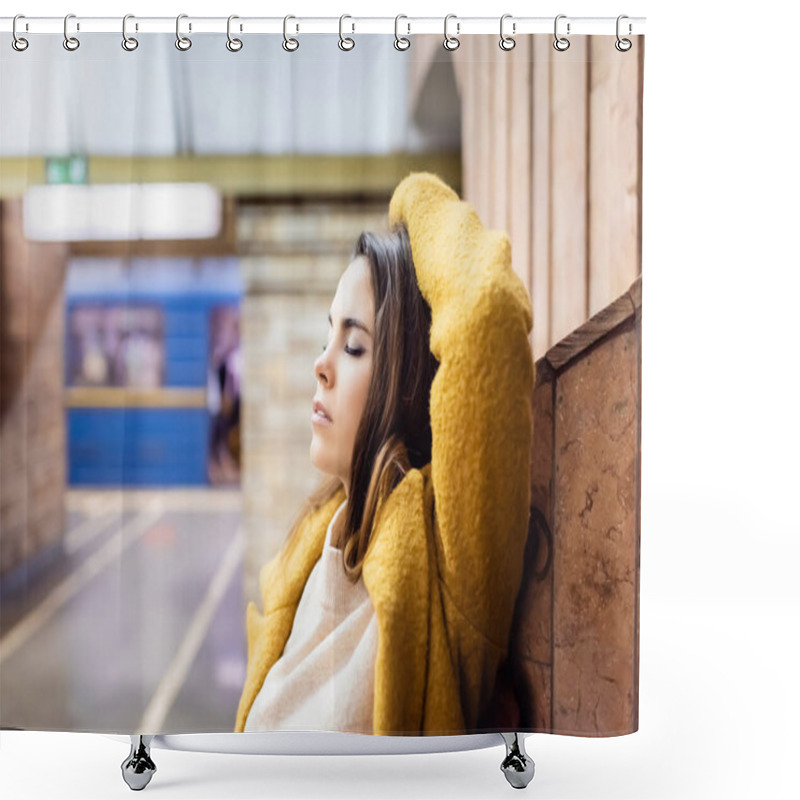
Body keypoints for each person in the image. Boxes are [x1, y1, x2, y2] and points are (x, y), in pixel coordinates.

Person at [235, 172, 534, 736]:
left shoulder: (450, 566)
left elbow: (486, 315)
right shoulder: (309, 559)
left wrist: (407, 201)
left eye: (353, 346)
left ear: (408, 381)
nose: (321, 365)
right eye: (330, 338)